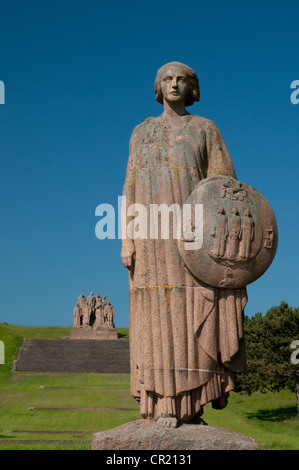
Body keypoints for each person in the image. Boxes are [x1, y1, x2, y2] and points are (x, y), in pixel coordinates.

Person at [121, 62, 247, 428]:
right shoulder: (141, 132)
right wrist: (126, 237)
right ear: (158, 88)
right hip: (150, 238)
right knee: (156, 318)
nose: (174, 84)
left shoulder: (205, 129)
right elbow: (129, 186)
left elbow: (226, 188)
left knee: (192, 311)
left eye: (182, 80)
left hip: (193, 238)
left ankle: (192, 404)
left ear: (191, 88)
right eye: (167, 79)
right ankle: (163, 402)